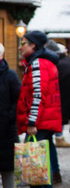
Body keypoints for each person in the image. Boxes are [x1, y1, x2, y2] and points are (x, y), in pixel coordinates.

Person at [16, 30, 62, 188]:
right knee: (42, 168)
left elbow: (38, 95)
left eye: (23, 43)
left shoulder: (38, 64)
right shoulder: (43, 63)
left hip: (40, 123)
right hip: (45, 121)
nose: (20, 47)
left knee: (35, 170)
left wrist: (31, 122)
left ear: (33, 45)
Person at [45, 40, 70, 155]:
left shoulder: (58, 65)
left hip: (57, 101)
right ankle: (59, 137)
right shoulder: (65, 63)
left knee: (46, 139)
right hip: (62, 99)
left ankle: (59, 137)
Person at [0, 43, 20, 188]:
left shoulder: (10, 75)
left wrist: (9, 117)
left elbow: (18, 100)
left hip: (6, 130)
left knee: (8, 170)